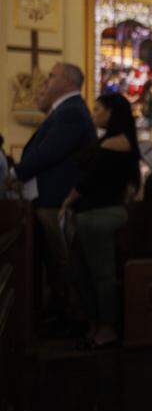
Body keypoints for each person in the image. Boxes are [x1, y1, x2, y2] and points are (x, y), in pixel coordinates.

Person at [14, 62, 98, 323]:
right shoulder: (64, 110)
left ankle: (72, 318)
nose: (46, 81)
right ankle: (60, 314)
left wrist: (15, 174)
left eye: (51, 76)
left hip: (57, 198)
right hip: (49, 196)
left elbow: (50, 152)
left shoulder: (71, 111)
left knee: (61, 260)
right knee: (54, 260)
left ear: (67, 81)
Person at [62, 93, 140, 348]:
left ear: (111, 112)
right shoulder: (111, 141)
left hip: (100, 214)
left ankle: (107, 327)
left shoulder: (115, 144)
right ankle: (96, 323)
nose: (93, 113)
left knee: (101, 274)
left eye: (97, 109)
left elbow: (90, 181)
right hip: (96, 213)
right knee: (85, 272)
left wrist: (67, 202)